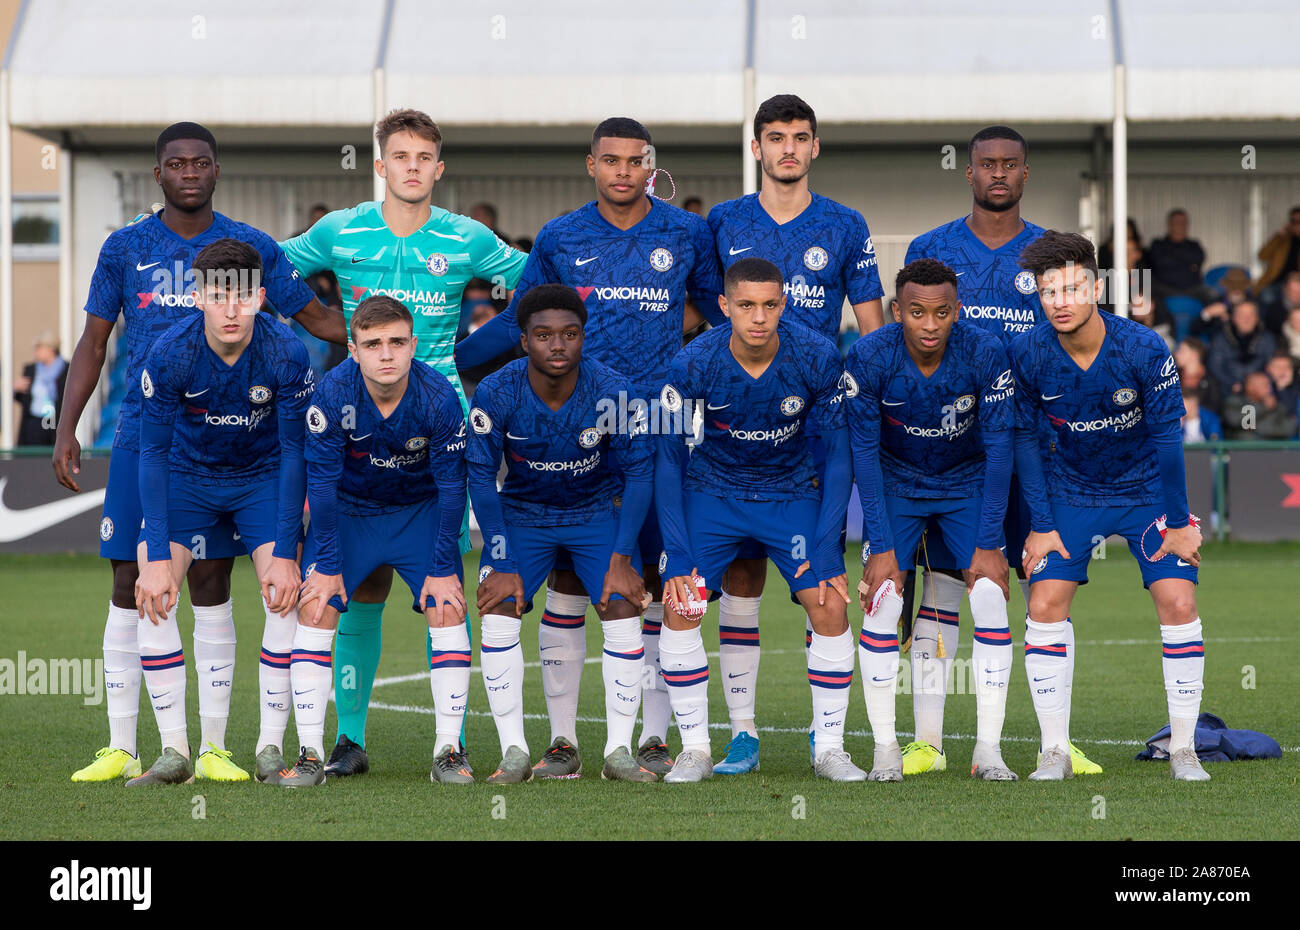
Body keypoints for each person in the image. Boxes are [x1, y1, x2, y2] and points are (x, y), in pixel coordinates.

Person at [58, 122, 345, 784]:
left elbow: (315, 318)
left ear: (217, 171)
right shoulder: (125, 246)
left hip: (242, 443)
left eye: (202, 162)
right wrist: (66, 425)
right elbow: (94, 342)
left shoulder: (253, 249)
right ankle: (122, 747)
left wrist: (388, 335)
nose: (190, 171)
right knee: (133, 579)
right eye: (177, 164)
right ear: (158, 175)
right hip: (146, 437)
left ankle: (211, 748)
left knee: (214, 580)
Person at [456, 116, 724, 779]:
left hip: (657, 427)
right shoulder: (559, 237)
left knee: (656, 579)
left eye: (636, 161)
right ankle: (565, 744)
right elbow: (528, 316)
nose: (624, 171)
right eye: (612, 160)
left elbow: (716, 313)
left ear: (651, 165)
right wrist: (454, 363)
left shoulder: (687, 233)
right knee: (575, 580)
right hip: (575, 419)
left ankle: (654, 737)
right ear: (592, 165)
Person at [280, 108, 526, 777]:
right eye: (401, 156)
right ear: (380, 164)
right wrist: (330, 327)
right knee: (357, 592)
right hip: (357, 425)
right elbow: (276, 267)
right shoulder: (340, 229)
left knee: (444, 584)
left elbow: (535, 286)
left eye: (425, 157)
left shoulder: (466, 237)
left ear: (438, 168)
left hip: (440, 429)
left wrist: (475, 348)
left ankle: (453, 746)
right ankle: (347, 742)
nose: (413, 167)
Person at [901, 125, 1105, 774]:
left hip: (1037, 454)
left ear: (1025, 173)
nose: (997, 174)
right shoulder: (931, 248)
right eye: (985, 164)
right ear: (968, 173)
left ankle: (1055, 739)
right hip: (948, 458)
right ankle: (928, 742)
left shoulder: (1049, 255)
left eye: (1008, 165)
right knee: (942, 590)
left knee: (1047, 588)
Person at [703, 94, 884, 775]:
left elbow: (872, 332)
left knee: (824, 585)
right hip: (734, 435)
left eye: (799, 137)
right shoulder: (722, 222)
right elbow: (705, 315)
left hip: (814, 436)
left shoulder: (843, 224)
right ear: (756, 147)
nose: (787, 148)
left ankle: (826, 741)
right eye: (774, 136)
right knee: (741, 578)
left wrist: (868, 406)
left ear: (815, 148)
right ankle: (743, 735)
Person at [1013, 230, 1211, 782]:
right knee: (1045, 602)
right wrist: (1042, 526)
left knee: (1177, 601)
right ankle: (1054, 751)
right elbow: (1026, 443)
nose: (1060, 301)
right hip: (1070, 491)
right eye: (1048, 291)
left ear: (1096, 287)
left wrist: (1178, 522)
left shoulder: (1143, 348)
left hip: (1145, 490)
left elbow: (1169, 440)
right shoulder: (1028, 353)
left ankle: (1184, 749)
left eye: (1072, 288)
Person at [655, 258, 858, 782]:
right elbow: (669, 457)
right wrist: (676, 551)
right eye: (746, 305)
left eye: (770, 305)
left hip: (789, 495)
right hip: (713, 494)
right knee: (681, 604)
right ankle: (696, 749)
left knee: (831, 603)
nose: (759, 317)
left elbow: (838, 455)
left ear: (784, 304)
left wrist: (831, 545)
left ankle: (830, 748)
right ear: (724, 307)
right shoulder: (694, 360)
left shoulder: (815, 354)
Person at [127, 239, 315, 785]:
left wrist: (284, 551)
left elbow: (295, 452)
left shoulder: (286, 351)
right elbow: (153, 453)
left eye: (241, 297)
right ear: (198, 296)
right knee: (154, 591)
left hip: (261, 479)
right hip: (187, 477)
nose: (230, 310)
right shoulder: (170, 353)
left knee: (285, 597)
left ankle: (269, 750)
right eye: (217, 296)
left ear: (260, 297)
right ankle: (175, 755)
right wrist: (157, 554)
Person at [468, 284, 657, 783]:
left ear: (583, 337)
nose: (558, 345)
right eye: (544, 335)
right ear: (524, 340)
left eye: (570, 334)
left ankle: (618, 751)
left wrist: (621, 557)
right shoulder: (496, 391)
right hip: (523, 516)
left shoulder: (614, 390)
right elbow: (480, 479)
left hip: (594, 512)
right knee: (499, 605)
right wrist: (502, 560)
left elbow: (640, 474)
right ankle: (514, 752)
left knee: (620, 602)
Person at [846, 258, 1017, 780]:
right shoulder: (868, 356)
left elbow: (1001, 449)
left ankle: (988, 752)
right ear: (897, 311)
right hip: (896, 483)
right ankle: (884, 752)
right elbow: (863, 454)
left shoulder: (986, 352)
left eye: (942, 312)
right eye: (916, 312)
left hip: (966, 481)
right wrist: (881, 545)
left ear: (956, 310)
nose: (929, 324)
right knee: (882, 601)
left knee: (988, 595)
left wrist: (989, 540)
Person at [297, 295, 469, 785]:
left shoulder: (438, 397)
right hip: (350, 512)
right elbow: (322, 486)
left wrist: (441, 565)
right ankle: (322, 750)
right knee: (316, 605)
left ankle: (449, 750)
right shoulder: (332, 393)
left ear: (414, 345)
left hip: (420, 511)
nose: (387, 354)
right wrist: (327, 563)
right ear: (353, 349)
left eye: (397, 342)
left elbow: (453, 488)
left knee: (447, 605)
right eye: (373, 344)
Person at [1206, 300, 1276, 397]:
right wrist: (1232, 383)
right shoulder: (1220, 339)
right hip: (1226, 391)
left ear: (1257, 318)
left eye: (1251, 315)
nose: (1246, 319)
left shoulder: (1267, 339)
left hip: (1259, 391)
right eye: (1241, 315)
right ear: (1234, 318)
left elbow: (1272, 366)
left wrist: (1258, 383)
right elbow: (1215, 367)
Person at [14, 331, 67, 447]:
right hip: (33, 422)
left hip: (53, 421)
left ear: (51, 349)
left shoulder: (65, 369)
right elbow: (23, 399)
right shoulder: (31, 370)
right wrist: (16, 390)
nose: (36, 352)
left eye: (39, 348)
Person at [1148, 208, 1210, 301]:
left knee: (1213, 295)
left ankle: (1205, 315)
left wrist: (1171, 256)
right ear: (1169, 225)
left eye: (1184, 222)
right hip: (1164, 290)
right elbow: (1160, 263)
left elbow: (1199, 259)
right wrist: (1188, 264)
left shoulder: (1194, 245)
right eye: (1177, 222)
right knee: (1147, 300)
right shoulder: (1158, 244)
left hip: (1193, 289)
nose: (1181, 226)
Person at [1223, 371, 1298, 440]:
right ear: (1249, 387)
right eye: (1264, 385)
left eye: (1269, 385)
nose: (1268, 388)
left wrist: (1257, 429)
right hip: (1244, 450)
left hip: (1273, 449)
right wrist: (1264, 408)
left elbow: (1289, 428)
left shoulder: (1275, 404)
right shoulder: (1235, 402)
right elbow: (1238, 421)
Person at [1255, 206, 1300, 296]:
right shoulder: (1283, 239)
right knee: (1266, 295)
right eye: (1293, 221)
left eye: (1299, 221)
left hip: (1297, 284)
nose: (1296, 225)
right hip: (1277, 282)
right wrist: (1279, 235)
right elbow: (1262, 255)